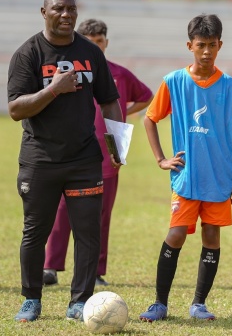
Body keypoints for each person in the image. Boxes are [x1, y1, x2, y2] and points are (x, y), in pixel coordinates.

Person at [7, 0, 123, 322]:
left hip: (84, 159)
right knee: (35, 232)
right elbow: (16, 108)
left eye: (71, 9)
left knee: (88, 231)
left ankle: (80, 301)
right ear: (44, 11)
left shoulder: (90, 53)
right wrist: (53, 89)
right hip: (39, 158)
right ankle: (31, 299)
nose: (66, 14)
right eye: (58, 9)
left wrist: (116, 144)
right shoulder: (28, 54)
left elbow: (110, 99)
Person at [138, 14, 232, 322]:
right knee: (175, 234)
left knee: (211, 236)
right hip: (186, 176)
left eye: (212, 45)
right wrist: (161, 158)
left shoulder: (231, 87)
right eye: (200, 45)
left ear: (220, 45)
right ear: (190, 45)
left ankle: (199, 304)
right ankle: (159, 303)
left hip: (220, 176)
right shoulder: (173, 82)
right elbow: (149, 118)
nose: (206, 52)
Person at [43, 19, 154, 287]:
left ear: (106, 43)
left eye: (100, 41)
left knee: (101, 214)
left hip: (107, 153)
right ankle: (51, 267)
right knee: (62, 210)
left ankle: (95, 271)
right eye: (89, 42)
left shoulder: (120, 74)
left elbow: (147, 95)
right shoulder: (68, 73)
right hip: (70, 149)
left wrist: (122, 116)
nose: (96, 46)